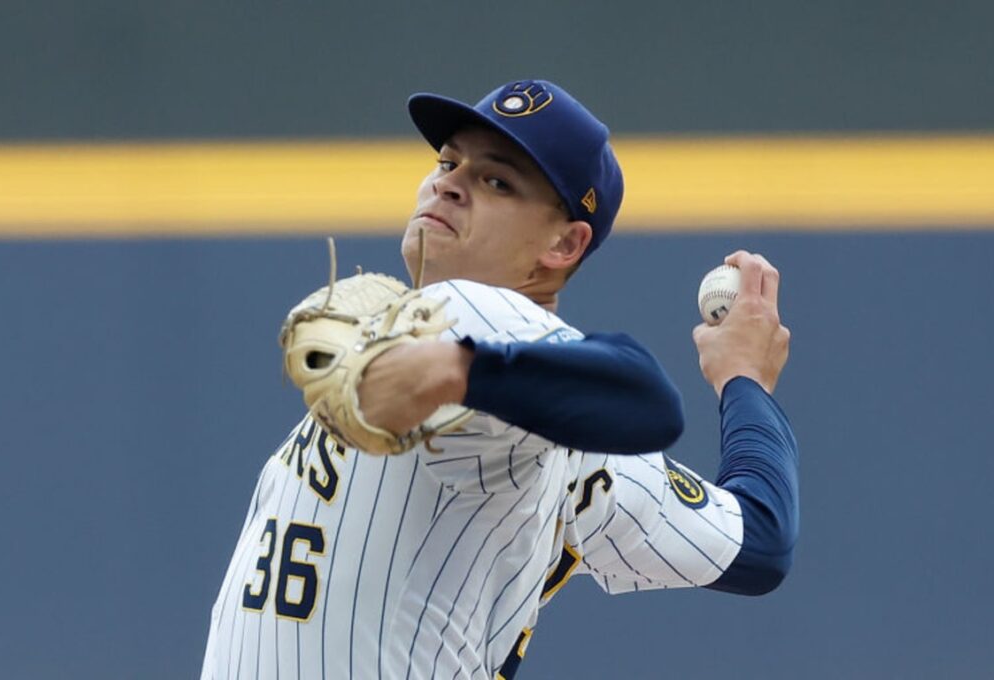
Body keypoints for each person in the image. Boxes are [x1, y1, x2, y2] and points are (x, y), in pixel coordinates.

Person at [199, 80, 797, 680]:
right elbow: (758, 541)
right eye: (447, 160)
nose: (448, 182)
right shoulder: (571, 443)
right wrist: (744, 380)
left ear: (564, 243)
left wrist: (453, 368)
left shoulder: (473, 312)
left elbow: (646, 396)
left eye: (496, 181)